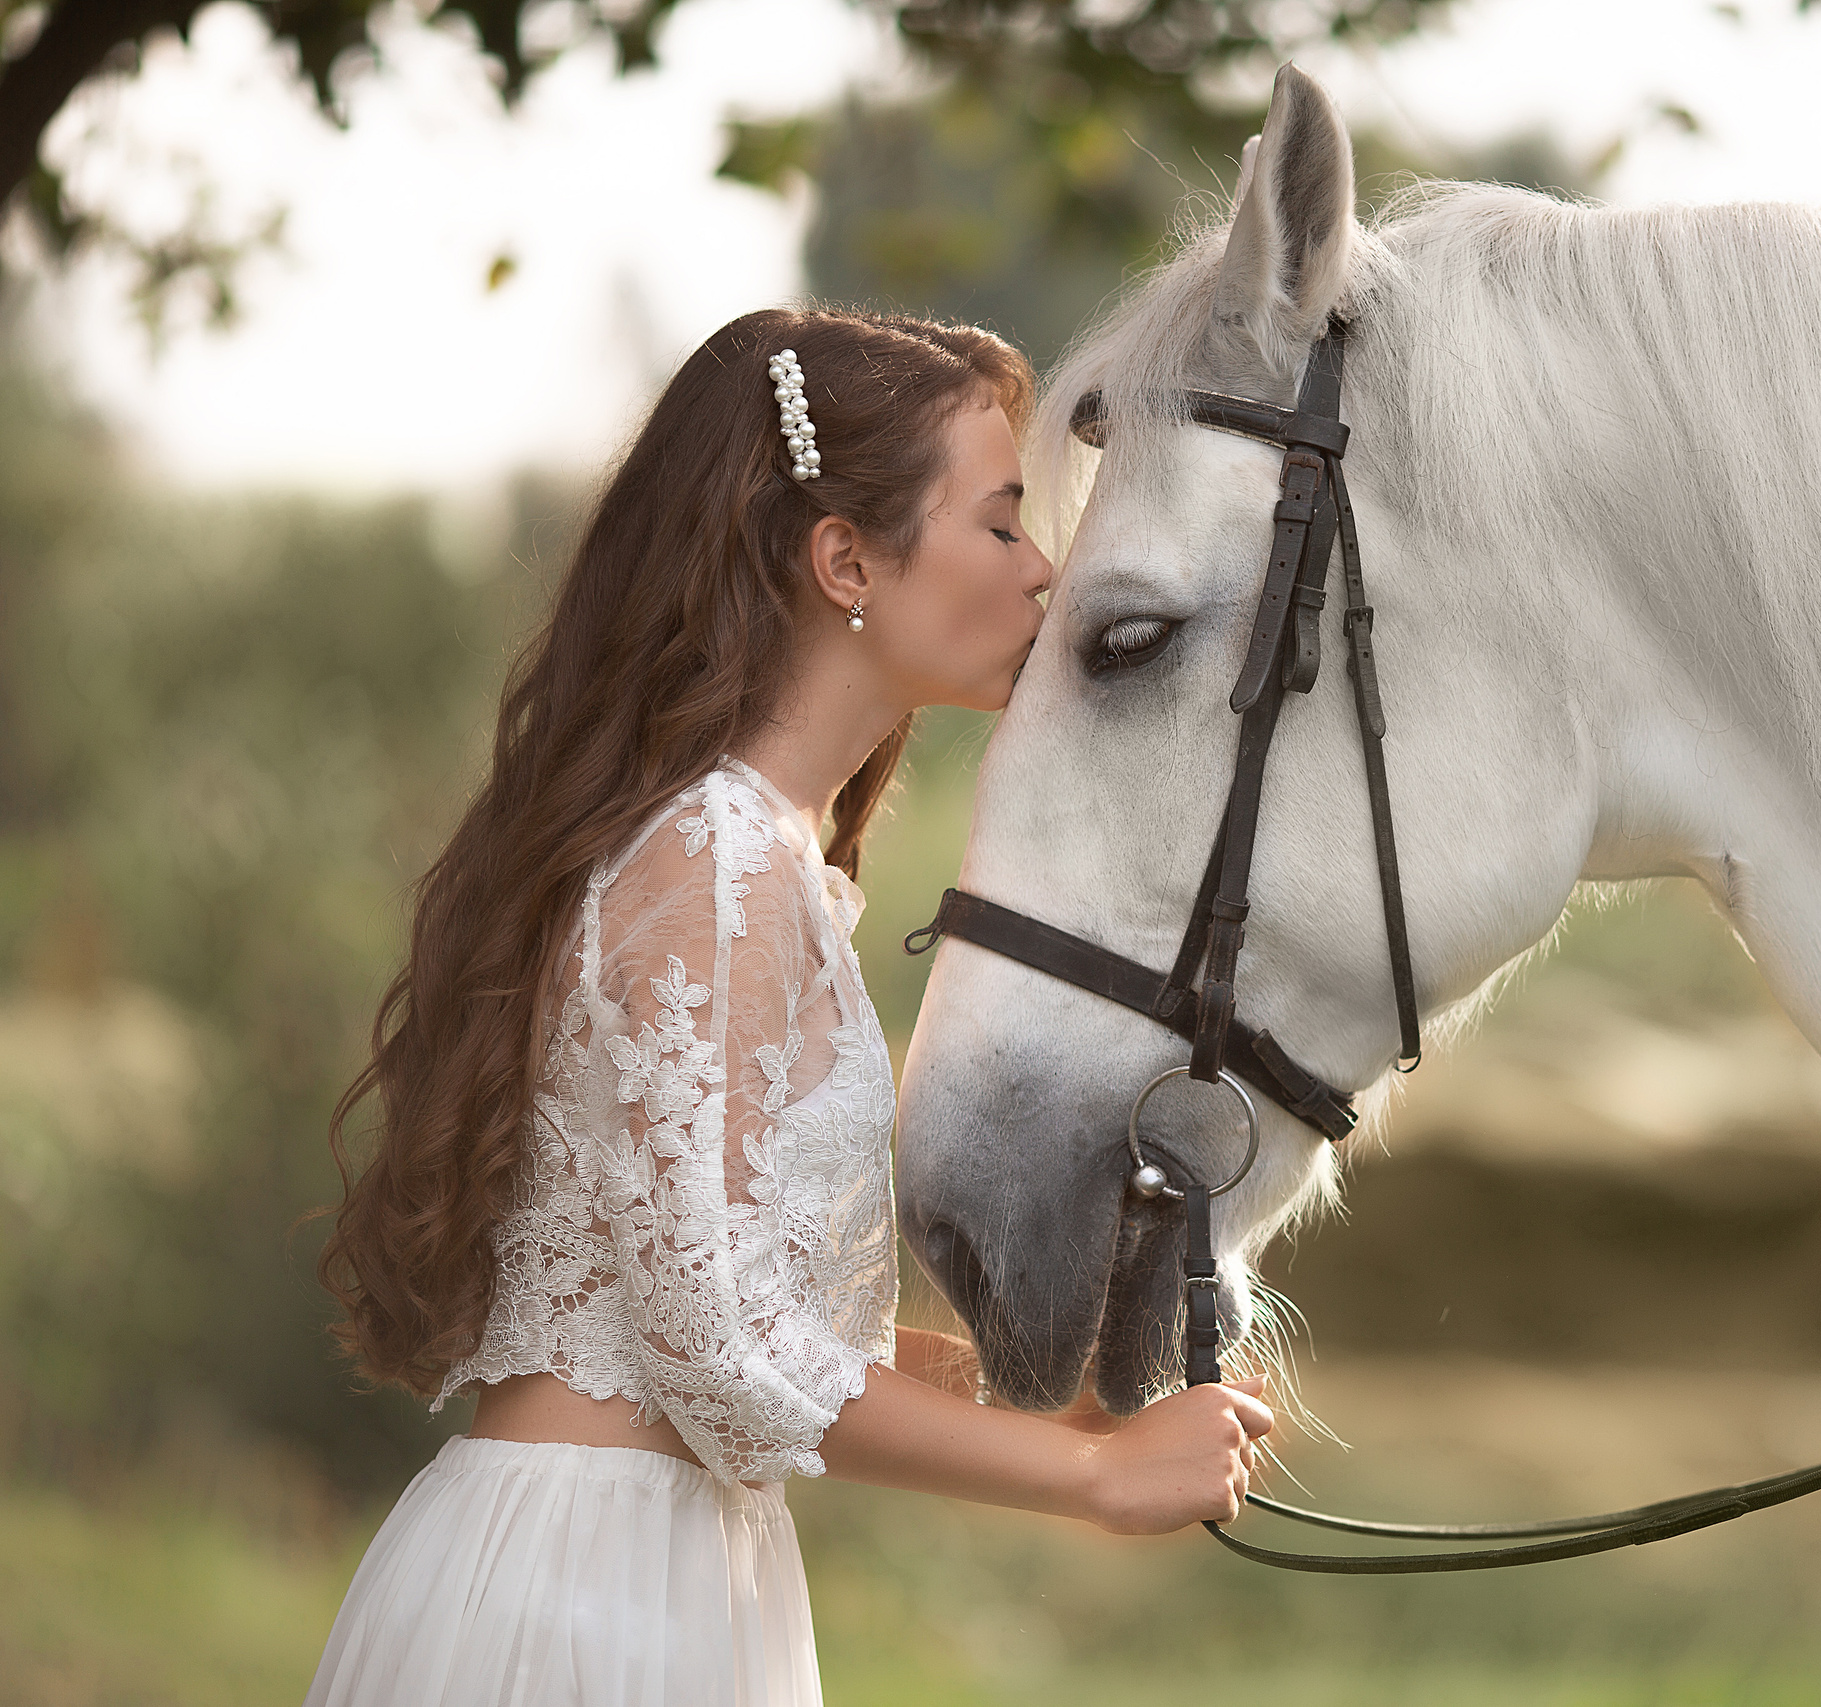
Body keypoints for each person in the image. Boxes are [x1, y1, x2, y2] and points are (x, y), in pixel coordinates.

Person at [306, 307, 1271, 1706]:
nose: (1042, 569)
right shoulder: (711, 863)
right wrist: (1093, 1477)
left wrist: (1035, 1401)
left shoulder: (753, 855)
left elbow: (735, 1310)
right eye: (1001, 522)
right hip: (586, 1605)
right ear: (844, 562)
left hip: (661, 1568)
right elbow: (722, 1359)